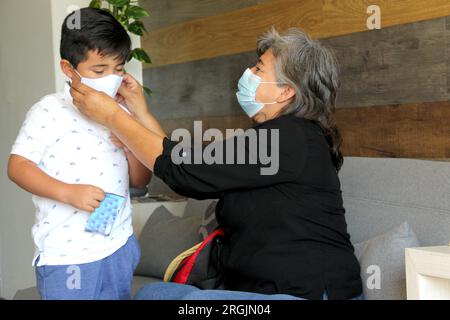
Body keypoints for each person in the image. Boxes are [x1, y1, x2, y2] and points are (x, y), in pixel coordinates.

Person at [69, 27, 364, 300]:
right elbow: (190, 165)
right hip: (265, 293)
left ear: (286, 91)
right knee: (157, 294)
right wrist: (138, 110)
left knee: (155, 297)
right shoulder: (278, 139)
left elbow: (186, 170)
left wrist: (112, 117)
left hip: (309, 294)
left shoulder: (290, 138)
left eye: (259, 69)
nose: (248, 72)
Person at [7, 8, 151, 300]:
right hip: (67, 255)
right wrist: (67, 192)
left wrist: (130, 144)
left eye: (119, 69)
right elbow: (17, 166)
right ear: (68, 68)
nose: (111, 79)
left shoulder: (121, 111)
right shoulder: (49, 110)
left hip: (119, 245)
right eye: (99, 70)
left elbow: (140, 180)